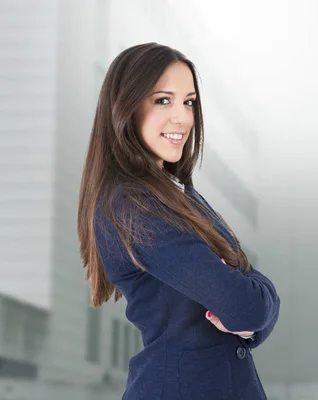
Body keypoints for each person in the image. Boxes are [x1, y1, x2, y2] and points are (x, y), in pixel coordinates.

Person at [77, 42, 280, 400]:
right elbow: (244, 305)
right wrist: (252, 297)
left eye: (188, 102)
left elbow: (247, 299)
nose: (183, 118)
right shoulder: (133, 205)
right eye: (163, 100)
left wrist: (251, 305)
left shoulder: (177, 192)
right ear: (124, 107)